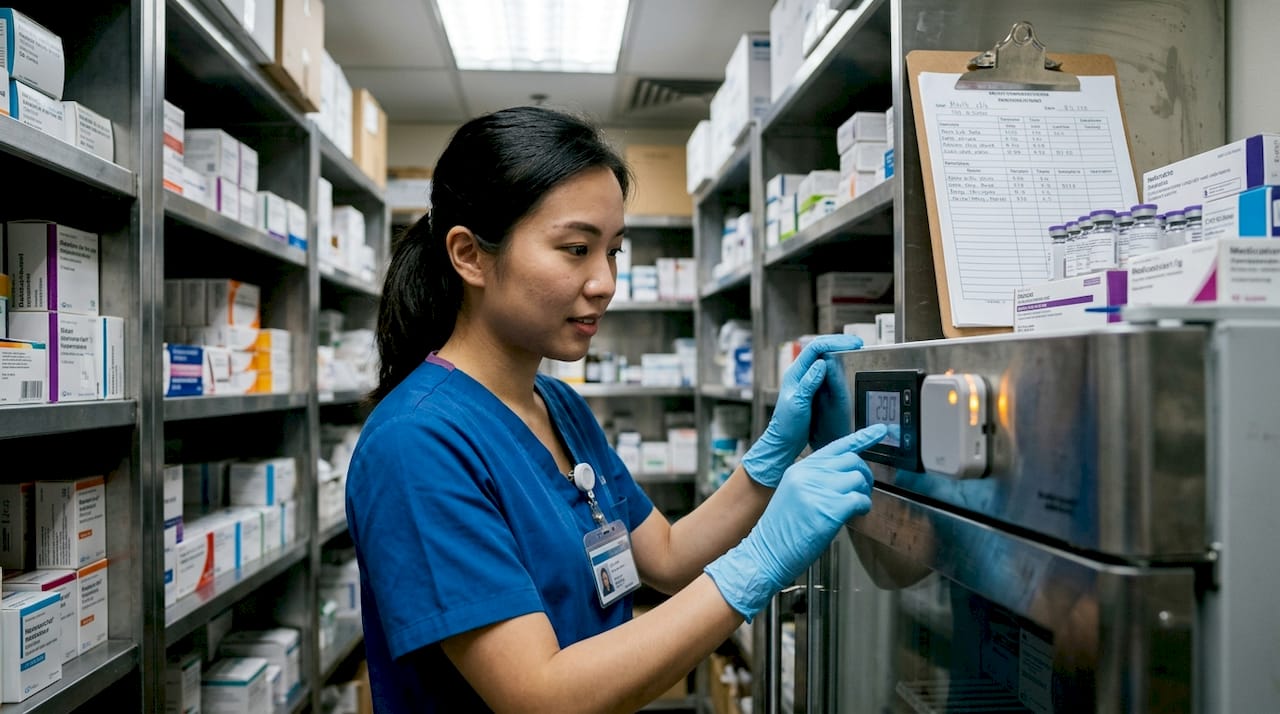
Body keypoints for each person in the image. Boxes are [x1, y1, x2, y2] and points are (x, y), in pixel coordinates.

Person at [345, 105, 887, 713]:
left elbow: (668, 557)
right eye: (576, 249)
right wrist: (756, 565)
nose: (604, 282)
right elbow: (540, 697)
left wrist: (769, 462)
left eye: (614, 252)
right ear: (470, 255)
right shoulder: (415, 444)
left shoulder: (558, 404)